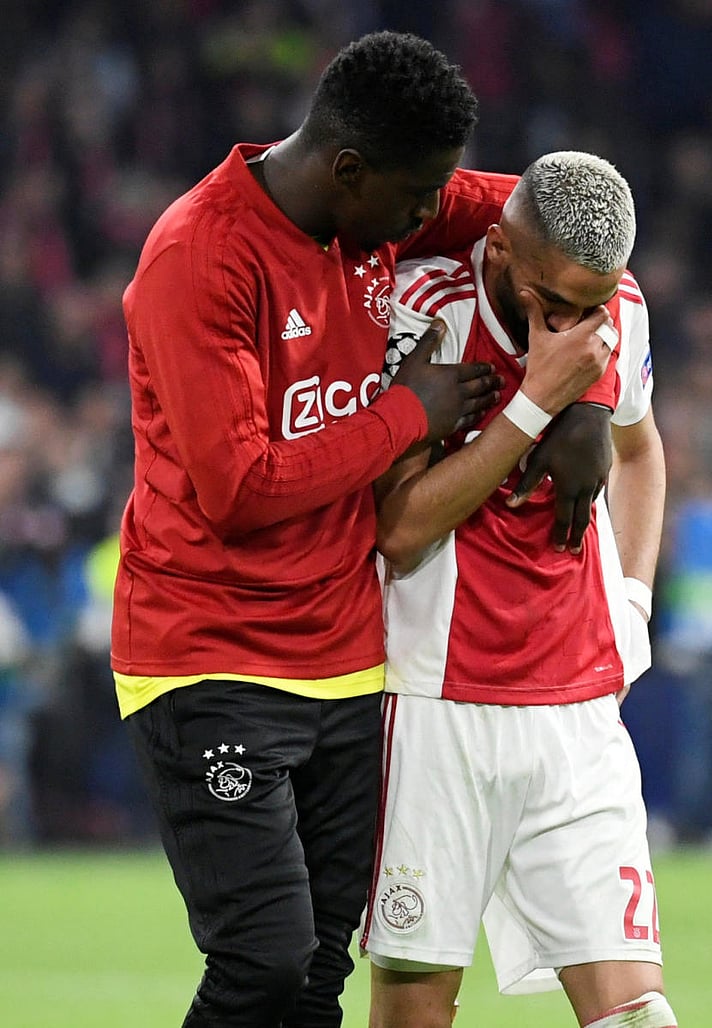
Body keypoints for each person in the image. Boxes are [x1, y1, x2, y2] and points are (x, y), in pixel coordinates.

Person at [112, 31, 612, 1028]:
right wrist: (408, 415)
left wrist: (590, 397)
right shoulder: (199, 257)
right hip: (210, 654)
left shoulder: (377, 200)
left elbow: (573, 241)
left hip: (345, 660)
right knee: (262, 955)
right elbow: (241, 487)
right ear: (349, 168)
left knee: (314, 978)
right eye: (420, 195)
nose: (436, 215)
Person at [361, 152, 675, 1028]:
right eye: (554, 302)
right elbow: (400, 528)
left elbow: (643, 451)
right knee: (416, 1010)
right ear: (497, 250)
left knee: (638, 1014)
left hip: (578, 711)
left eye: (594, 303)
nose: (578, 325)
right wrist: (535, 405)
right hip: (435, 706)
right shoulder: (425, 316)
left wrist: (637, 600)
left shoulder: (626, 312)